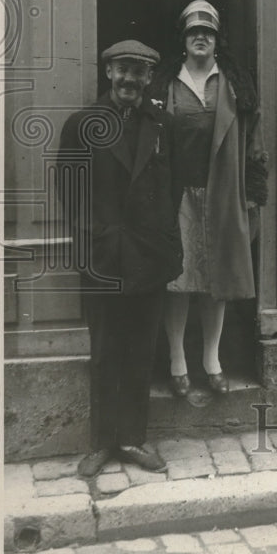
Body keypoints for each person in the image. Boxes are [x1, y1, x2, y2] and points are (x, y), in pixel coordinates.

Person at [57, 40, 183, 478]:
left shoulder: (164, 125)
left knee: (141, 348)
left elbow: (175, 186)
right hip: (102, 256)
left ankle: (133, 438)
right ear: (108, 73)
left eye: (139, 72)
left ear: (150, 78)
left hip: (147, 256)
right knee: (105, 349)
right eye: (122, 70)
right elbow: (68, 191)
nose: (130, 79)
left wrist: (159, 234)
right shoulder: (81, 124)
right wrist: (93, 237)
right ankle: (100, 443)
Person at [151, 0, 268, 397]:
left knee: (216, 278)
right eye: (193, 32)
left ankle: (212, 360)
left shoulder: (235, 86)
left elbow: (255, 145)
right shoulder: (165, 84)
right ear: (183, 40)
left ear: (218, 41)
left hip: (222, 194)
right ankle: (177, 362)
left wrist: (253, 195)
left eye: (209, 32)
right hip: (177, 195)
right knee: (178, 281)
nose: (201, 38)